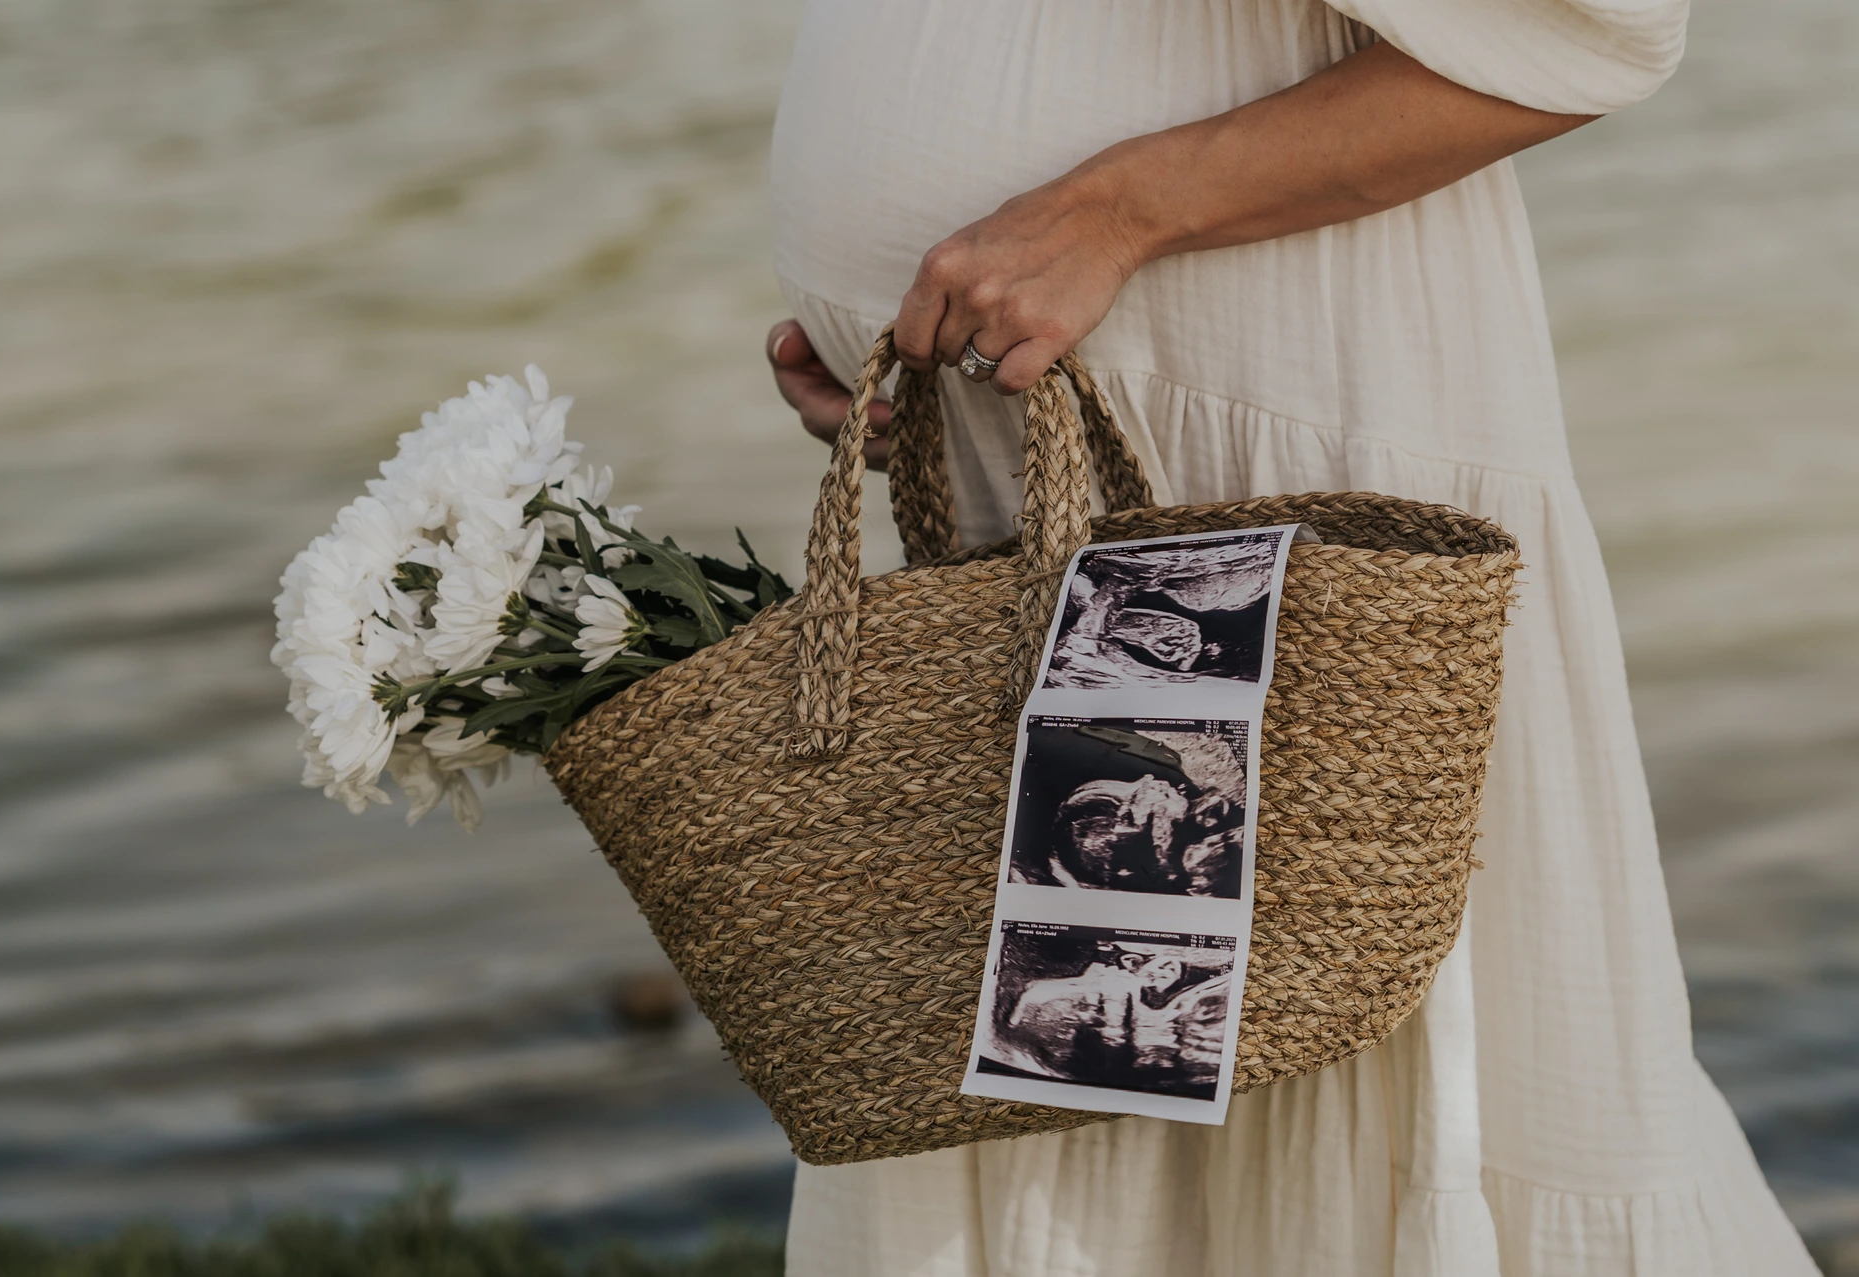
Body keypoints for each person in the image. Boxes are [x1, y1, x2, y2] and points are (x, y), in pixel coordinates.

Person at [762, 2, 1816, 1274]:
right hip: (1044, 469)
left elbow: (1598, 28)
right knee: (1088, 1053)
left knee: (1355, 1045)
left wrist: (1114, 213)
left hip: (1268, 500)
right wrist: (894, 317)